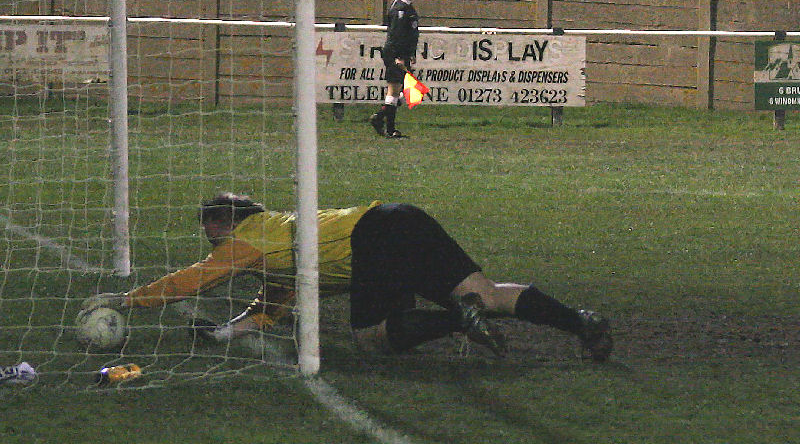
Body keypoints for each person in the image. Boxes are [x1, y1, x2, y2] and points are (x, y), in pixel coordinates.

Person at [82, 193, 613, 361]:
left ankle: (456, 320)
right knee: (488, 293)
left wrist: (128, 300)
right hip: (400, 217)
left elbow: (195, 280)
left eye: (211, 222)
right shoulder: (278, 244)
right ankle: (582, 322)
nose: (207, 232)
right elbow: (274, 307)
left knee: (371, 339)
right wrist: (222, 333)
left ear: (230, 219)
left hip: (372, 243)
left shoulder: (252, 237)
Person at [369, 0, 419, 139]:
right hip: (396, 54)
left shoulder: (407, 7)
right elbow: (396, 35)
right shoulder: (399, 9)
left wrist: (410, 53)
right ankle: (386, 125)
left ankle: (382, 120)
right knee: (400, 91)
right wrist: (398, 57)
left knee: (402, 93)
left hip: (403, 54)